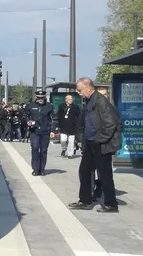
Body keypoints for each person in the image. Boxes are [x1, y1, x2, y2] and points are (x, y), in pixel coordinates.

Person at [69, 77, 122, 213]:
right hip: (90, 142)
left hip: (101, 144)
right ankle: (85, 200)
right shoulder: (88, 101)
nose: (78, 92)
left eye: (80, 90)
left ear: (88, 87)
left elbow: (111, 124)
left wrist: (99, 139)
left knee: (104, 174)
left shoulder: (101, 102)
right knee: (85, 171)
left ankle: (111, 204)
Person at [24, 90, 57, 176]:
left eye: (42, 98)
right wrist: (28, 121)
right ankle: (35, 169)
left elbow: (54, 118)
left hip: (45, 131)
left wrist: (53, 131)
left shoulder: (49, 106)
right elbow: (25, 116)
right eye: (39, 98)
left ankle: (42, 169)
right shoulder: (30, 106)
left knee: (43, 150)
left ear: (44, 97)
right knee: (35, 148)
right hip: (34, 131)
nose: (40, 99)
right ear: (36, 98)